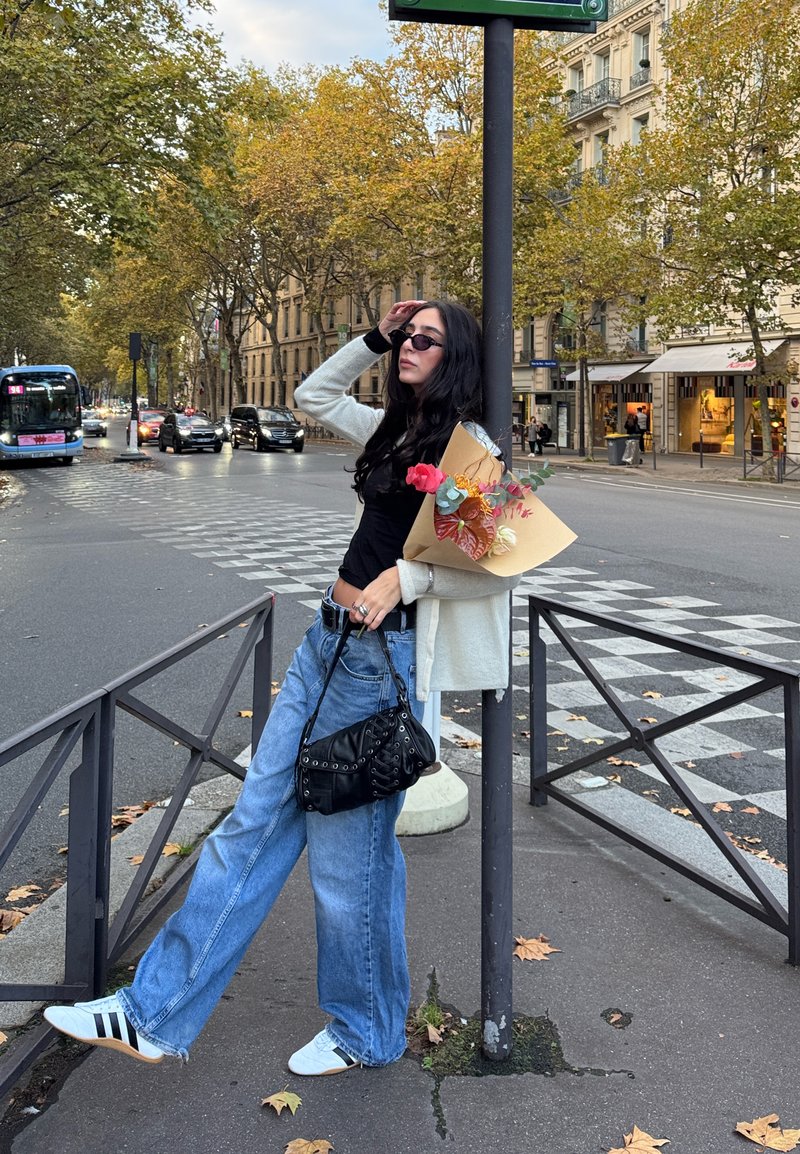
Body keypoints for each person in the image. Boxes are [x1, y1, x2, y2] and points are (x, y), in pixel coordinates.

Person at [43, 300, 517, 1077]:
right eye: (405, 336)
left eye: (423, 340)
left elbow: (503, 559)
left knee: (348, 866)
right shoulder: (396, 428)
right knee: (251, 826)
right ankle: (152, 1015)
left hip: (377, 663)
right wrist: (371, 336)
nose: (408, 348)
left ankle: (368, 1031)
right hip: (325, 643)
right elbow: (314, 399)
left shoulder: (469, 447)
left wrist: (411, 575)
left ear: (456, 355)